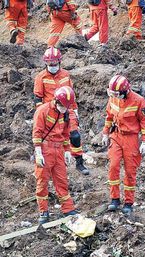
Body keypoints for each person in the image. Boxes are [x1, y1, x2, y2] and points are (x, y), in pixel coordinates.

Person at [34, 47, 90, 175]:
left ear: (59, 61)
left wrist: (75, 111)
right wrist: (40, 114)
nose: (52, 66)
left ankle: (79, 162)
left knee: (75, 135)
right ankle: (52, 159)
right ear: (45, 63)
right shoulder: (40, 77)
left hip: (67, 109)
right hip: (51, 110)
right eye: (49, 63)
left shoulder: (65, 75)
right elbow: (37, 98)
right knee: (53, 137)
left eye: (54, 63)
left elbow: (71, 94)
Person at [102, 75, 145, 215]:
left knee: (130, 171)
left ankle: (128, 202)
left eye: (116, 94)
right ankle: (115, 198)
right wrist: (105, 133)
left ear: (125, 91)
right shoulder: (113, 98)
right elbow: (109, 116)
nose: (114, 96)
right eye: (112, 94)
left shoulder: (138, 101)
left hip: (131, 139)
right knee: (113, 165)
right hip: (116, 135)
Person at [32, 86, 78, 224]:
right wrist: (38, 152)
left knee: (62, 180)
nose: (65, 108)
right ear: (57, 101)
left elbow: (65, 133)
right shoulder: (43, 111)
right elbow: (37, 133)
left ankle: (68, 208)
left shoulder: (65, 112)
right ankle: (43, 211)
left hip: (58, 150)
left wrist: (67, 150)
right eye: (64, 106)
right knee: (42, 181)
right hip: (45, 149)